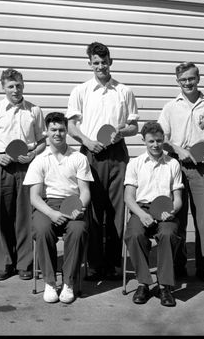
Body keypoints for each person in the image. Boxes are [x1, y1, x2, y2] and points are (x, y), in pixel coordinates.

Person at [66, 41, 139, 280]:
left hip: (117, 154)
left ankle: (114, 264)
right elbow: (71, 126)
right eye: (96, 63)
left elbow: (134, 127)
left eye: (104, 61)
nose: (101, 66)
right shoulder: (81, 91)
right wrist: (86, 142)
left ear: (111, 61)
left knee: (117, 209)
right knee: (94, 209)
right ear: (90, 64)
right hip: (91, 153)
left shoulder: (124, 91)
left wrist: (122, 132)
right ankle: (95, 263)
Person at [158, 62, 204, 285]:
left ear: (198, 78)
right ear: (177, 81)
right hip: (177, 166)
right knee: (177, 218)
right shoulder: (170, 107)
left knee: (202, 220)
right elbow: (162, 139)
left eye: (191, 78)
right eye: (183, 80)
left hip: (202, 168)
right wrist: (178, 150)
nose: (187, 83)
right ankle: (178, 266)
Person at [0, 68, 46, 281]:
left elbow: (43, 141)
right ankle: (5, 264)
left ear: (23, 85)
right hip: (2, 165)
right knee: (2, 215)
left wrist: (34, 154)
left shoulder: (34, 111)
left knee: (25, 215)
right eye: (10, 86)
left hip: (26, 165)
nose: (15, 90)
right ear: (3, 88)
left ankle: (25, 264)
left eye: (18, 85)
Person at [23, 112, 93, 304]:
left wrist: (79, 207)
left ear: (66, 132)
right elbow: (34, 197)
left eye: (62, 129)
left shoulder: (79, 158)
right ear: (47, 132)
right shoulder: (39, 160)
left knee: (78, 230)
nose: (58, 133)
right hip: (48, 206)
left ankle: (69, 283)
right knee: (42, 229)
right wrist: (52, 213)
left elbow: (85, 191)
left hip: (73, 204)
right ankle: (50, 282)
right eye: (53, 129)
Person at [124, 122, 183, 307]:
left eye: (159, 140)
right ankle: (143, 283)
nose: (155, 145)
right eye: (151, 141)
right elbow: (128, 197)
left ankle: (164, 285)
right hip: (142, 209)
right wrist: (141, 215)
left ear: (163, 140)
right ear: (144, 141)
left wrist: (172, 211)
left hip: (165, 210)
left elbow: (178, 198)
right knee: (134, 234)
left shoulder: (173, 164)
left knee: (168, 234)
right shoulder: (135, 163)